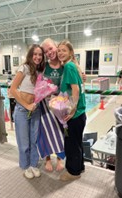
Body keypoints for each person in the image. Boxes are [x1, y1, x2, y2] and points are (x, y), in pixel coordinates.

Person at [39, 38, 86, 172]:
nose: (50, 52)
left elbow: (75, 85)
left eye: (51, 48)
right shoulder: (44, 67)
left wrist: (82, 77)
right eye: (46, 51)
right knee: (46, 132)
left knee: (62, 133)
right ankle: (48, 159)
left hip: (64, 107)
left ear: (56, 47)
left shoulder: (66, 65)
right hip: (48, 106)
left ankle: (60, 159)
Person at [10, 44, 45, 179]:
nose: (37, 57)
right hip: (22, 110)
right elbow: (13, 90)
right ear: (30, 55)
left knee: (34, 140)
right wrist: (26, 105)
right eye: (35, 54)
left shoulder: (40, 71)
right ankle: (25, 166)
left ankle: (33, 164)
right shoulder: (23, 68)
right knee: (24, 142)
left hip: (35, 110)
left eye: (40, 55)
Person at [57, 40, 86, 181]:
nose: (60, 53)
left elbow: (76, 90)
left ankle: (73, 172)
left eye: (64, 50)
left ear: (70, 52)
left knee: (71, 144)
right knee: (77, 142)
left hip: (75, 115)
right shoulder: (74, 66)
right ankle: (79, 166)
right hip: (81, 114)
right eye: (59, 50)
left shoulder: (68, 66)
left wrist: (72, 110)